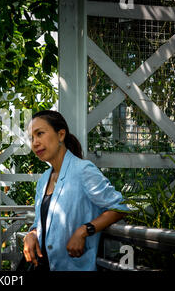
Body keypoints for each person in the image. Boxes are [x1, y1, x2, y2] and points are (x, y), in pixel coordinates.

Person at [23, 110, 130, 271]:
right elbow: (41, 222)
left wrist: (84, 230)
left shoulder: (83, 170)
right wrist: (31, 233)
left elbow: (120, 207)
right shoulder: (44, 179)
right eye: (31, 138)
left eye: (40, 134)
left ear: (60, 135)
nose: (35, 143)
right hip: (43, 266)